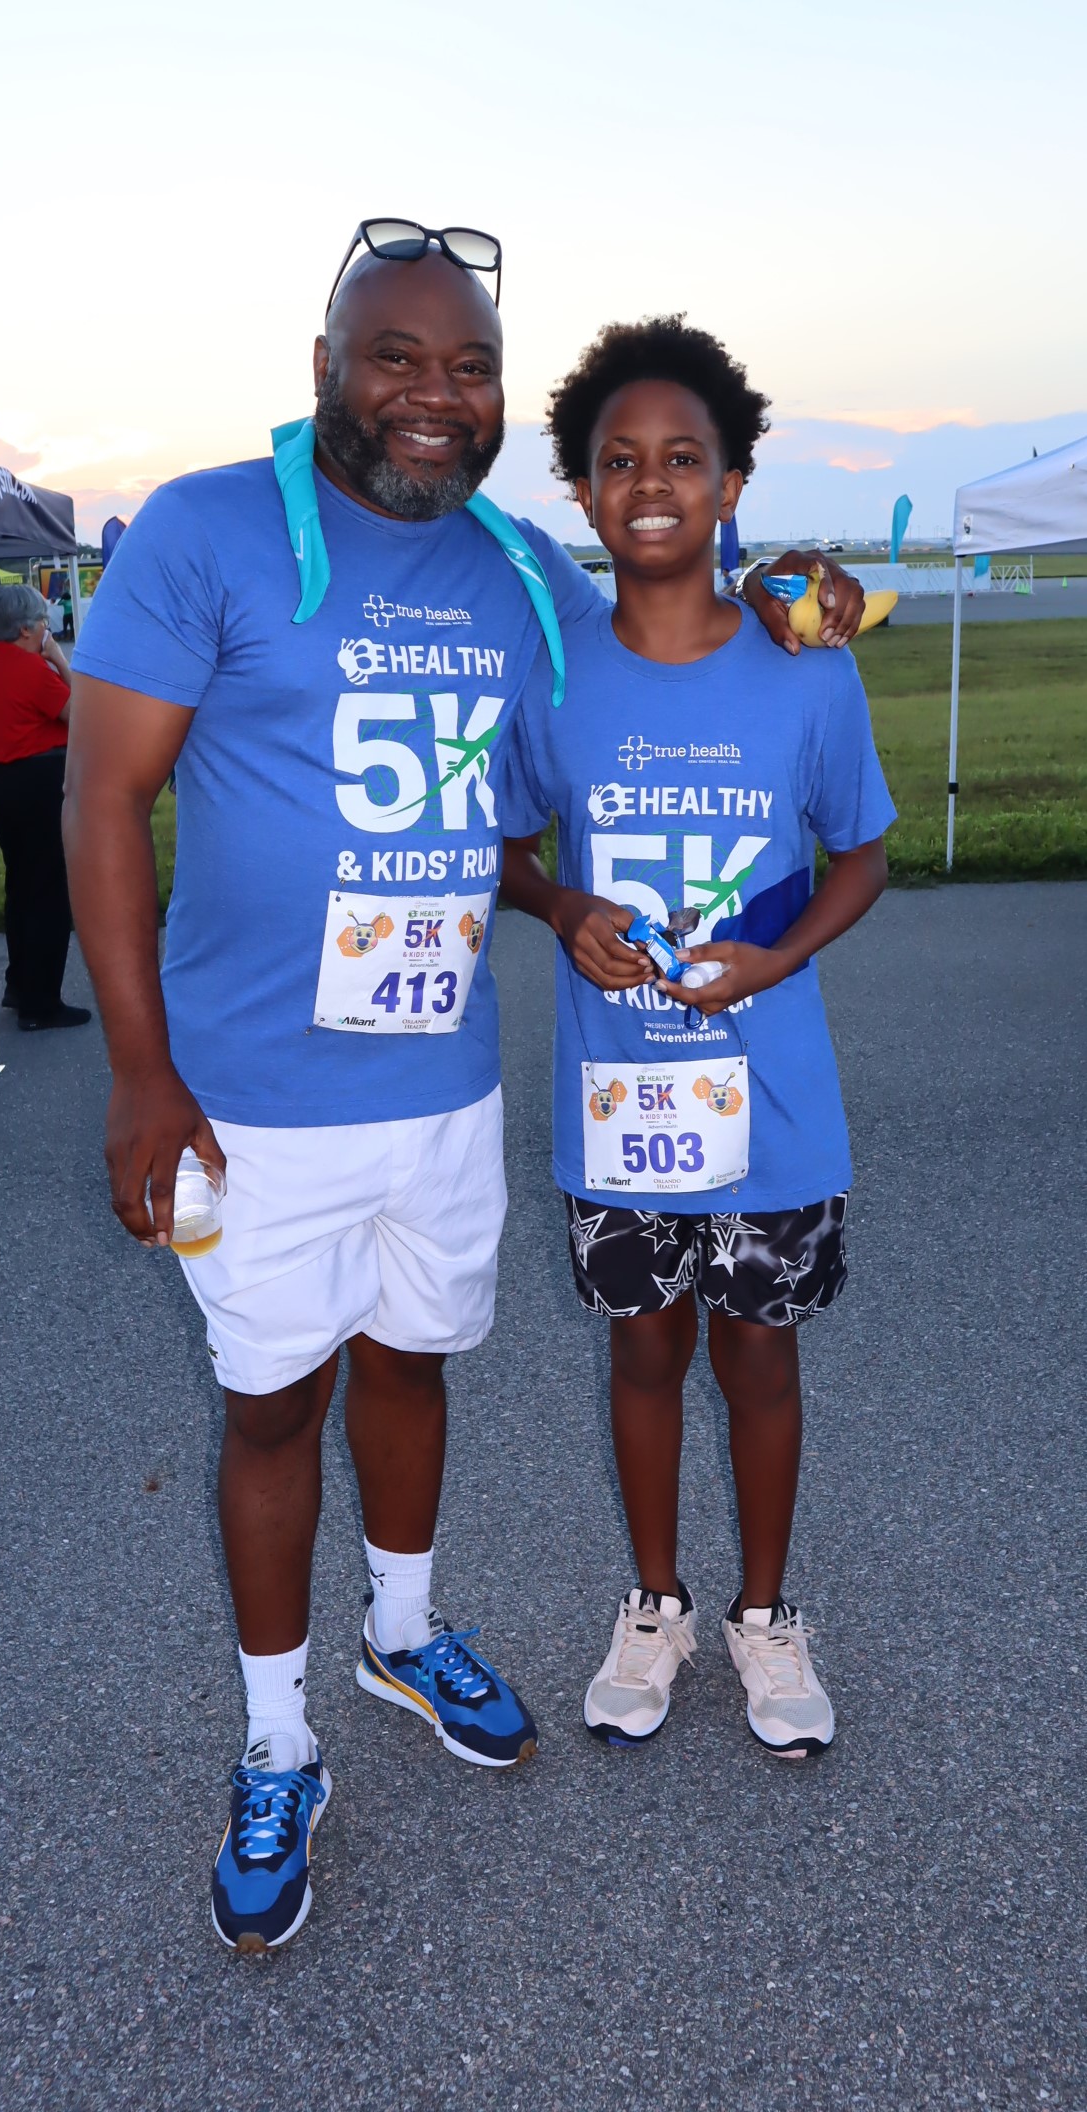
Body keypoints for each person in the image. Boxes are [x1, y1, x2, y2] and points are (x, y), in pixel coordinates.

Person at [63, 225, 867, 1955]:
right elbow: (101, 797)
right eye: (397, 357)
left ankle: (405, 1633)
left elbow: (666, 623)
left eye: (470, 367)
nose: (435, 396)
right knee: (272, 1406)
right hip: (253, 1096)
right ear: (325, 369)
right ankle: (277, 1745)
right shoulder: (206, 530)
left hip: (436, 1090)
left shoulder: (518, 572)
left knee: (411, 1366)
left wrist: (796, 592)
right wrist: (139, 1069)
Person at [498, 316, 895, 1761]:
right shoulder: (554, 673)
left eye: (682, 457)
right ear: (582, 491)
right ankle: (655, 1603)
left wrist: (778, 957)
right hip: (622, 1100)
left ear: (732, 484)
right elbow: (508, 848)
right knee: (643, 1352)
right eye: (618, 461)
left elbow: (863, 853)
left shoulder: (807, 667)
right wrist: (560, 905)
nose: (650, 483)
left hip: (771, 1099)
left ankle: (767, 1616)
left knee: (762, 1363)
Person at [0, 584, 90, 1030]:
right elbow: (83, 714)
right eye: (43, 622)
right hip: (41, 779)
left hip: (1, 782)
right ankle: (41, 1003)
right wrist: (59, 660)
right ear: (25, 629)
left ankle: (20, 984)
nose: (46, 629)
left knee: (21, 885)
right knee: (50, 890)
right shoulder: (34, 669)